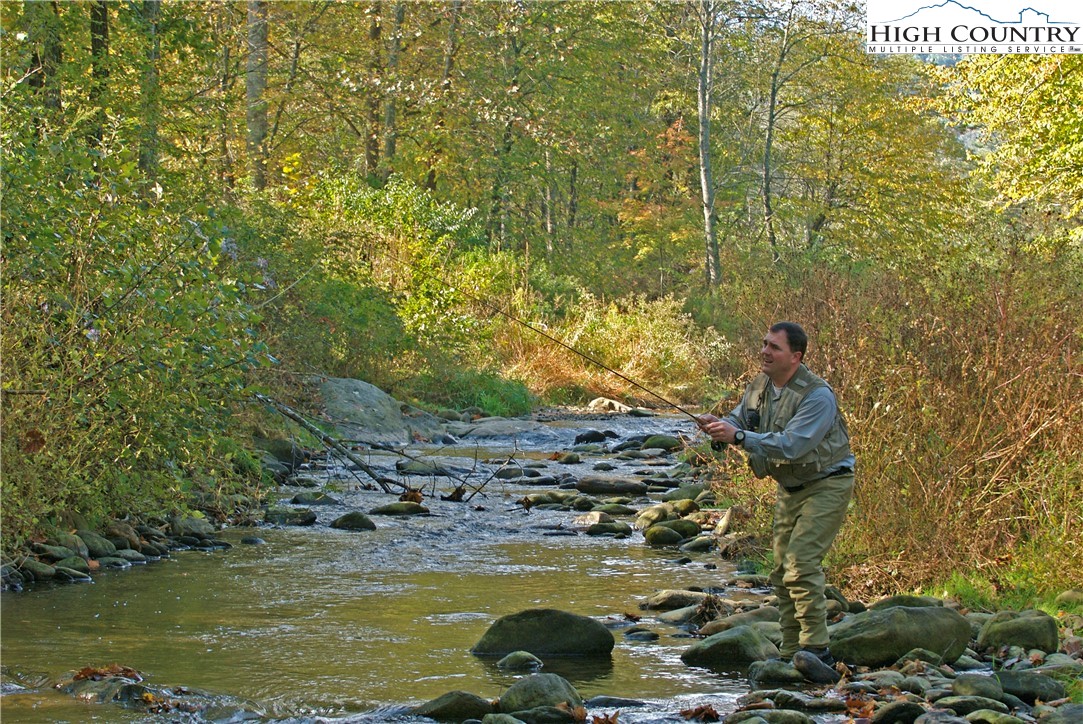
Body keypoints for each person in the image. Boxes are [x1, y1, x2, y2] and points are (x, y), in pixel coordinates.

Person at [698, 321, 854, 680]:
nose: (765, 351)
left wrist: (739, 437)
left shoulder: (818, 396)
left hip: (828, 484)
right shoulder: (761, 385)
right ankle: (790, 650)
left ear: (795, 357)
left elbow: (793, 445)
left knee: (800, 565)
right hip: (790, 488)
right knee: (781, 572)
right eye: (764, 343)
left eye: (775, 348)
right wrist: (719, 425)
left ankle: (818, 651)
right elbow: (740, 419)